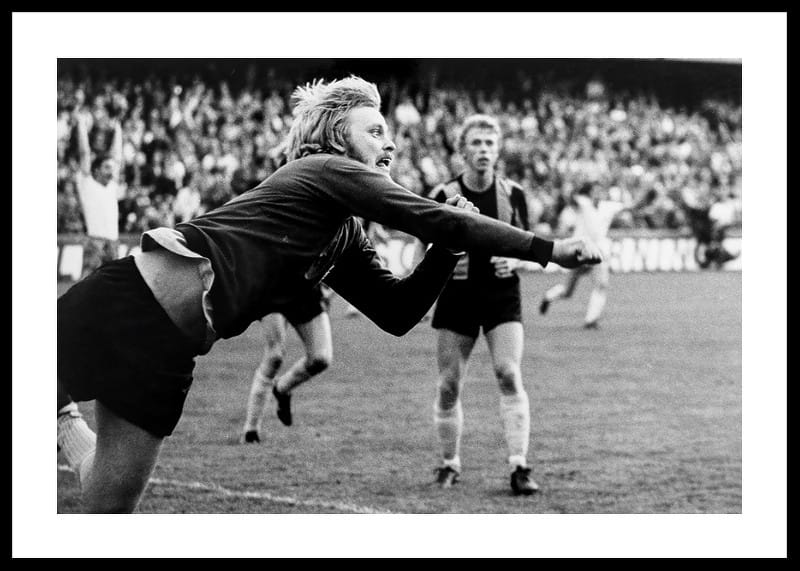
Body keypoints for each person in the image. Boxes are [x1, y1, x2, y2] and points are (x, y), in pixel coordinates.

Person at [57, 75, 602, 513]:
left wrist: (444, 250)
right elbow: (433, 216)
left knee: (106, 508)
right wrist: (550, 249)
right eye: (375, 131)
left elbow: (396, 312)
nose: (390, 143)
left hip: (169, 358)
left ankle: (63, 421)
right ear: (339, 138)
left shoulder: (343, 234)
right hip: (125, 304)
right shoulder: (321, 169)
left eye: (389, 133)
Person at [427, 114, 544, 495]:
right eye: (476, 143)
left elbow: (528, 245)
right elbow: (423, 245)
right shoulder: (443, 194)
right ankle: (449, 464)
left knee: (508, 373)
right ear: (462, 151)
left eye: (489, 144)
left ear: (498, 151)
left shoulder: (513, 194)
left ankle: (520, 467)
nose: (483, 150)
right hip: (457, 295)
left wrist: (518, 261)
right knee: (449, 384)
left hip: (500, 293)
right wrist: (439, 264)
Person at [241, 285, 333, 440]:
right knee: (274, 356)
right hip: (272, 287)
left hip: (304, 288)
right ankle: (251, 430)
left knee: (321, 359)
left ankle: (281, 388)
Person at [539, 182, 627, 328]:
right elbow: (570, 198)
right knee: (568, 291)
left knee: (601, 285)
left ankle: (591, 320)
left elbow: (630, 207)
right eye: (595, 191)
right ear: (589, 193)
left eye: (600, 191)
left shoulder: (608, 206)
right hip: (579, 251)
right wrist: (571, 186)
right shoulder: (583, 203)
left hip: (597, 252)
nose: (598, 194)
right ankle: (549, 297)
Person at [73, 107, 124, 279]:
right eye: (107, 168)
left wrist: (118, 129)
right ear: (96, 170)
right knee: (87, 284)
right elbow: (84, 153)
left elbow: (117, 156)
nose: (112, 171)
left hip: (113, 242)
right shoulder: (87, 183)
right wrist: (81, 125)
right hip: (95, 242)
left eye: (111, 168)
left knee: (114, 286)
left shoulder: (111, 186)